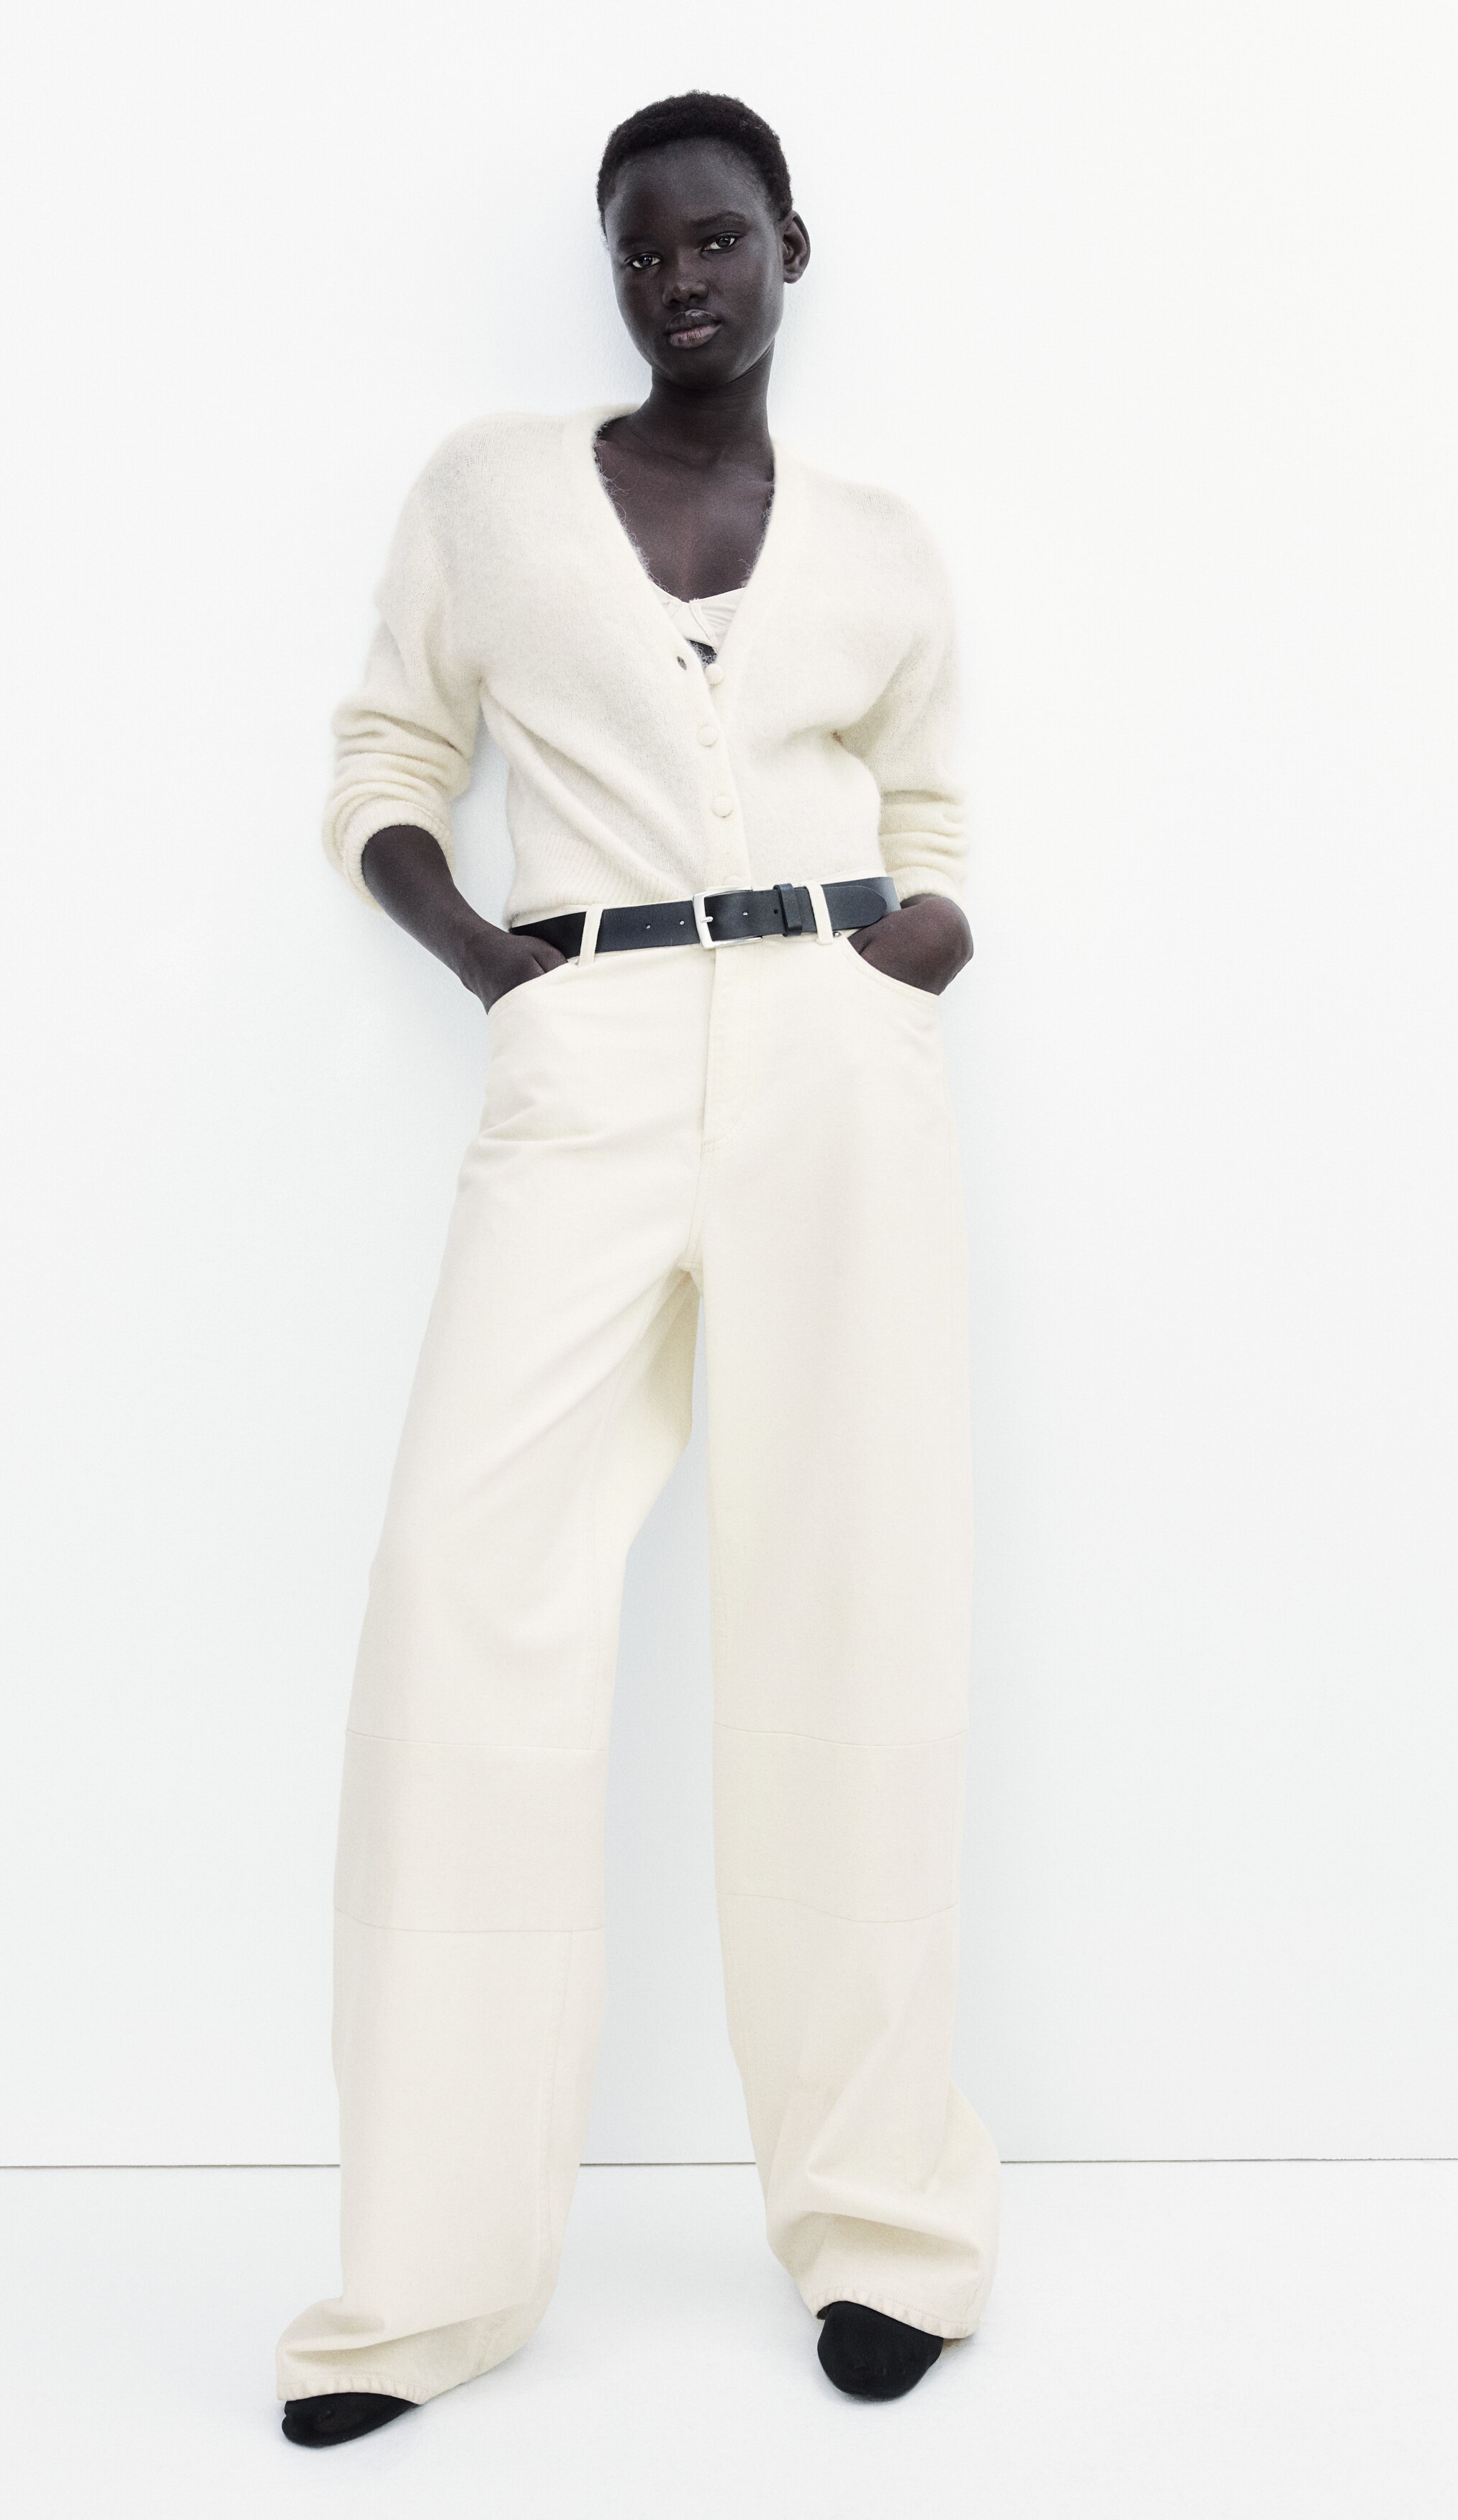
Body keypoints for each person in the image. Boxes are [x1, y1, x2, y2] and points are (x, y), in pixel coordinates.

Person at [276, 90, 999, 2447]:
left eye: (715, 239)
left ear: (792, 247)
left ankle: (883, 2226)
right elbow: (388, 758)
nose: (679, 279)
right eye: (640, 250)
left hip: (832, 1056)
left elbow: (938, 806)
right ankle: (424, 2284)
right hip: (580, 1046)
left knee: (849, 1606)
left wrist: (916, 949)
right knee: (461, 1599)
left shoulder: (884, 546)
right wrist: (495, 970)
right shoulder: (492, 495)